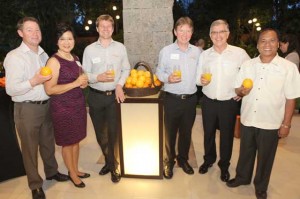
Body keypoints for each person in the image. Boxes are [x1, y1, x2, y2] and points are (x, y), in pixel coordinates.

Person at [226, 28, 300, 199]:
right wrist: (242, 91)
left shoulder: (288, 68)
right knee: (245, 152)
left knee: (266, 157)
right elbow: (237, 89)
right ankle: (243, 178)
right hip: (248, 119)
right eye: (263, 41)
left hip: (271, 122)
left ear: (278, 43)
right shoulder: (248, 65)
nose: (267, 44)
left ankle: (260, 186)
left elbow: (291, 99)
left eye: (272, 40)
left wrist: (286, 124)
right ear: (258, 44)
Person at [3, 17, 69, 199]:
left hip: (46, 105)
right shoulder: (14, 57)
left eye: (37, 30)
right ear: (20, 33)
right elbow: (11, 89)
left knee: (48, 144)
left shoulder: (43, 54)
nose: (35, 33)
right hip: (27, 110)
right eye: (29, 30)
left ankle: (52, 172)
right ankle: (35, 185)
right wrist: (34, 81)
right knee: (30, 149)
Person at [196, 19, 250, 182]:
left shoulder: (239, 53)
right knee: (208, 134)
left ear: (227, 34)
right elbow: (198, 78)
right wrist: (201, 80)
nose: (218, 35)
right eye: (214, 32)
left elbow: (250, 73)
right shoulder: (205, 55)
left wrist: (241, 91)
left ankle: (224, 166)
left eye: (221, 32)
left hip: (228, 102)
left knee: (227, 136)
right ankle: (208, 160)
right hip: (208, 101)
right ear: (210, 35)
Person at [82, 14, 130, 183]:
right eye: (102, 26)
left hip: (113, 97)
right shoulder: (89, 50)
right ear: (97, 29)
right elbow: (85, 74)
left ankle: (113, 166)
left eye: (108, 26)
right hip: (95, 97)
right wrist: (97, 77)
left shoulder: (120, 48)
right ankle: (109, 161)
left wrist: (119, 85)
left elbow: (126, 69)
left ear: (112, 28)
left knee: (113, 133)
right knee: (100, 134)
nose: (105, 29)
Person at [44, 23, 89, 188]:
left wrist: (82, 83)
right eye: (62, 39)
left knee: (76, 140)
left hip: (77, 106)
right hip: (62, 108)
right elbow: (49, 89)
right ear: (57, 41)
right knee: (67, 142)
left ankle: (75, 169)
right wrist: (75, 83)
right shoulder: (53, 61)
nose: (67, 42)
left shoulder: (75, 58)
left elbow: (79, 79)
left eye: (70, 38)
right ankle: (72, 173)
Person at [156, 16, 201, 179]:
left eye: (188, 30)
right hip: (172, 99)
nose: (184, 34)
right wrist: (168, 78)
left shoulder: (197, 52)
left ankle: (183, 160)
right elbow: (159, 72)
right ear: (175, 31)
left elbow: (201, 73)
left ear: (192, 32)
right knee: (169, 133)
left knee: (186, 133)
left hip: (190, 100)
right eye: (181, 30)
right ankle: (169, 162)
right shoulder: (166, 51)